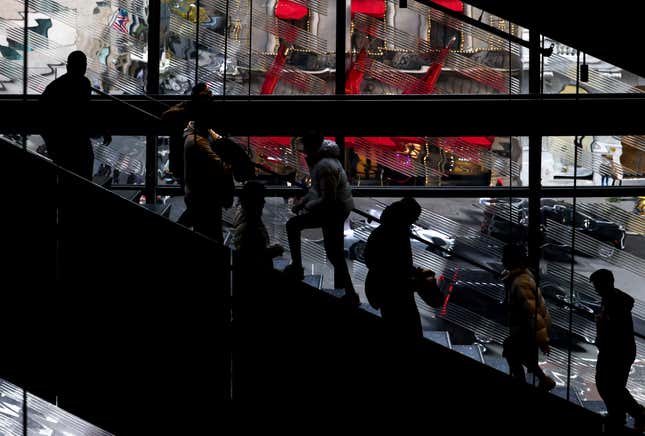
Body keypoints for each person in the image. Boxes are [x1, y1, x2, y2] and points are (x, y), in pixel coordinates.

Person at [283, 131, 359, 306]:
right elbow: (320, 192)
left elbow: (327, 198)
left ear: (311, 146)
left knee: (293, 226)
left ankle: (297, 268)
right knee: (335, 254)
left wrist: (305, 205)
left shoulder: (323, 166)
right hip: (336, 211)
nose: (303, 151)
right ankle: (350, 293)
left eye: (305, 147)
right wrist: (304, 202)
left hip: (332, 212)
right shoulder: (326, 161)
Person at [364, 198, 441, 342]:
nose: (414, 222)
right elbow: (393, 274)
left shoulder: (387, 231)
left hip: (385, 291)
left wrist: (413, 273)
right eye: (414, 218)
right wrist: (416, 280)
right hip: (392, 293)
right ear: (405, 217)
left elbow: (387, 267)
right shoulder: (396, 234)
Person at [41, 50, 111, 180]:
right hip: (77, 141)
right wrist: (100, 130)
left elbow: (44, 116)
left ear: (68, 67)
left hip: (62, 143)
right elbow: (85, 114)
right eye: (82, 66)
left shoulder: (55, 87)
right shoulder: (84, 84)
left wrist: (52, 145)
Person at [590, 269, 645, 431]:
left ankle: (634, 413)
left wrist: (603, 322)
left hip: (616, 352)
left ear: (605, 284)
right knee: (610, 385)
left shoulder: (615, 302)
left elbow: (615, 329)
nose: (595, 289)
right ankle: (622, 414)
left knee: (609, 385)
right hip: (616, 350)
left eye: (597, 285)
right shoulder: (610, 299)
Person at [501, 243, 556, 391]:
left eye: (505, 257)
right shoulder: (521, 276)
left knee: (512, 353)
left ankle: (540, 381)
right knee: (520, 356)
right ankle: (544, 381)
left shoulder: (520, 283)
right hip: (524, 329)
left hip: (526, 330)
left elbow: (534, 314)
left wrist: (543, 341)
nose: (502, 260)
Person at [183, 114, 234, 244]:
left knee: (208, 230)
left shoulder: (200, 132)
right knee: (210, 233)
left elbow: (218, 139)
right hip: (204, 197)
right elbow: (221, 165)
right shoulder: (198, 142)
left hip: (201, 194)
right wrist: (233, 163)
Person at [232, 181, 284, 274]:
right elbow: (256, 257)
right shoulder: (250, 228)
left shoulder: (247, 218)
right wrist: (276, 250)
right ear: (253, 201)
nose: (264, 202)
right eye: (261, 198)